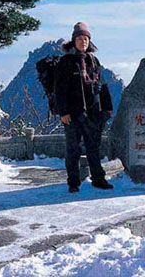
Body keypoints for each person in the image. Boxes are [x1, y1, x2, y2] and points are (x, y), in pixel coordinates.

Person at [54, 22, 114, 193]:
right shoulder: (66, 62)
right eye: (80, 38)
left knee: (93, 148)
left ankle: (98, 179)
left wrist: (107, 107)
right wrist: (63, 112)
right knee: (73, 149)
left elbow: (102, 86)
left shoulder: (93, 61)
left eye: (86, 38)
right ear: (74, 41)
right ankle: (73, 182)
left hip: (92, 113)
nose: (83, 41)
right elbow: (60, 89)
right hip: (72, 114)